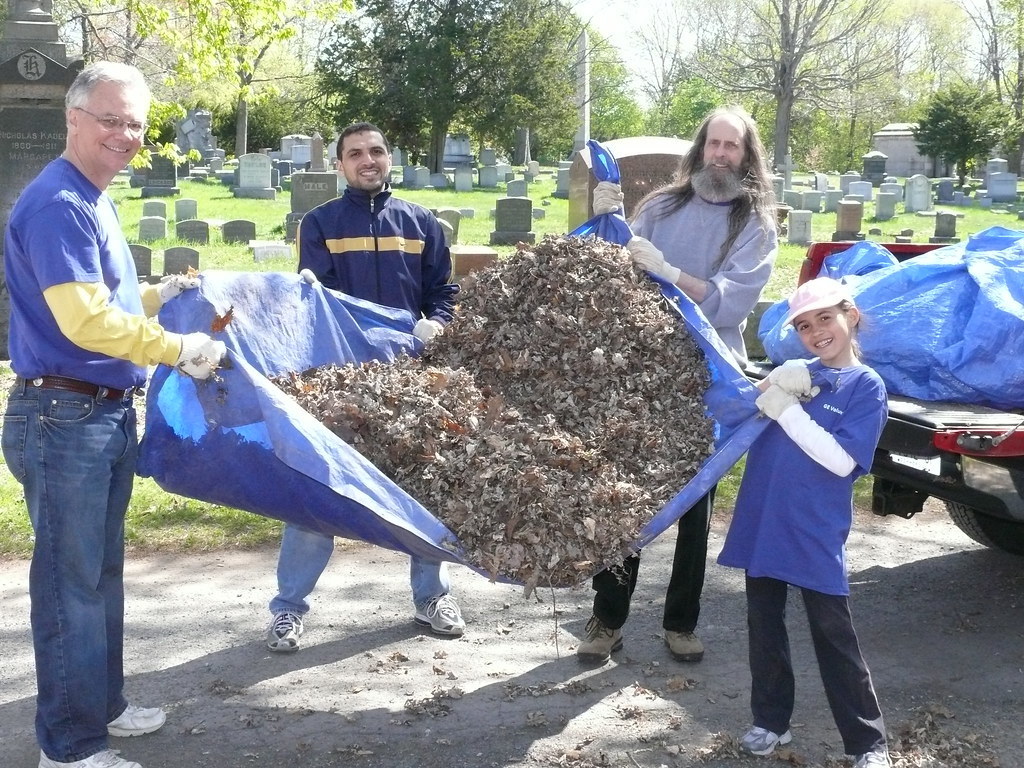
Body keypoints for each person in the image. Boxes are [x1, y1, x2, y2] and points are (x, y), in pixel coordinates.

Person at [2, 62, 226, 768]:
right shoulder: (59, 204)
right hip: (62, 416)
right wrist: (178, 347)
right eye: (110, 119)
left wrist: (163, 295)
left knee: (98, 576)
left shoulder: (92, 198)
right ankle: (69, 748)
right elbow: (84, 322)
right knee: (71, 584)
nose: (125, 135)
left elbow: (110, 303)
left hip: (93, 415)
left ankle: (104, 707)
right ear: (73, 119)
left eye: (134, 123)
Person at [578, 105, 778, 665]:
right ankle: (608, 617)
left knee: (695, 505)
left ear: (747, 156)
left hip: (710, 376)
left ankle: (681, 622)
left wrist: (668, 274)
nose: (720, 154)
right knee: (626, 495)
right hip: (645, 370)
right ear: (700, 149)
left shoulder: (755, 225)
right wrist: (607, 226)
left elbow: (729, 301)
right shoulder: (662, 206)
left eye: (731, 146)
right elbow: (611, 274)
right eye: (713, 143)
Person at [265, 121, 464, 653]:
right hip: (342, 380)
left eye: (376, 150)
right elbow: (316, 304)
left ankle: (432, 596)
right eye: (355, 154)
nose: (367, 160)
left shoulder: (422, 222)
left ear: (389, 156)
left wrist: (437, 325)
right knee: (317, 492)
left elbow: (444, 292)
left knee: (425, 488)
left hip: (409, 378)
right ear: (340, 165)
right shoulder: (321, 223)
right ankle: (288, 608)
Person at [718, 277, 891, 768]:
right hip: (764, 520)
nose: (816, 332)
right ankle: (771, 721)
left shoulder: (866, 386)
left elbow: (840, 462)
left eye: (824, 319)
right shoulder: (796, 372)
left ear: (850, 316)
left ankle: (868, 744)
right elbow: (741, 407)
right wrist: (773, 382)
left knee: (832, 634)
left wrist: (788, 410)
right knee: (763, 625)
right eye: (803, 325)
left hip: (814, 527)